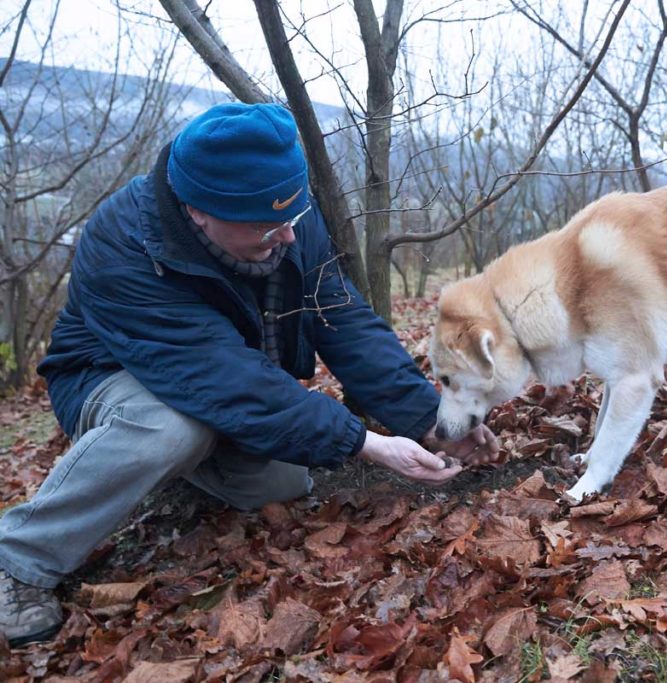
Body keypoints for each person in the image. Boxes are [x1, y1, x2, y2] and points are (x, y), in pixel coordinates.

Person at [0, 102, 499, 647]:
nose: (287, 237)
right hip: (107, 377)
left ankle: (163, 467)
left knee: (283, 481)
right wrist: (366, 444)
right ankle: (20, 559)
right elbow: (219, 373)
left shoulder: (289, 218)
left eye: (292, 219)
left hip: (224, 381)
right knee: (171, 431)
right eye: (268, 226)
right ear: (199, 213)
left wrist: (430, 418)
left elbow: (344, 320)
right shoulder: (123, 243)